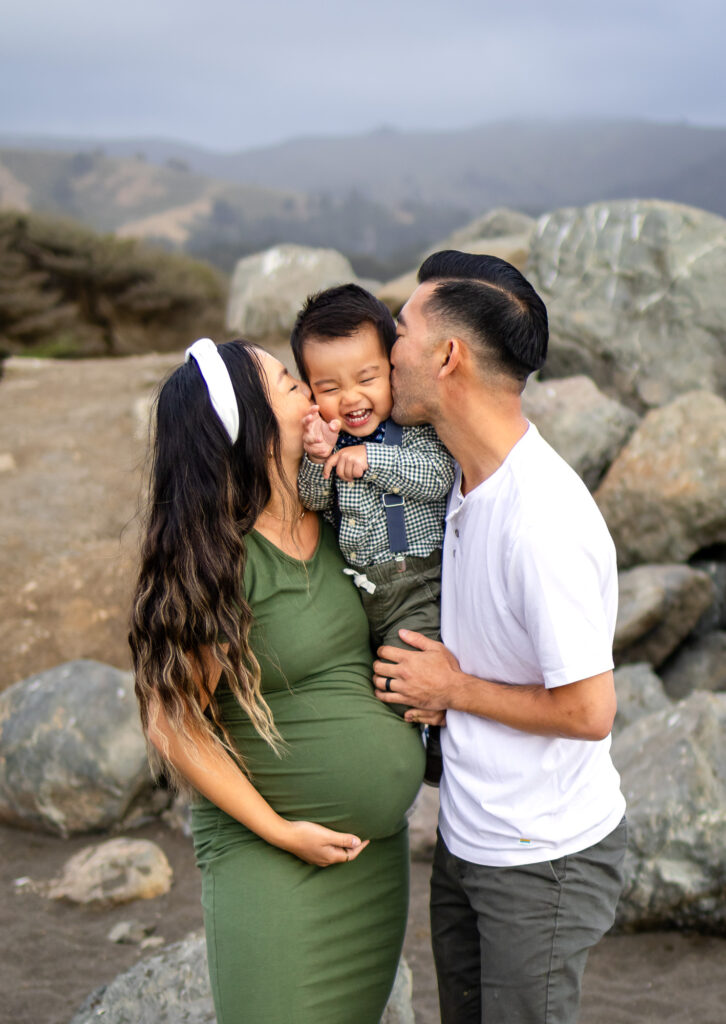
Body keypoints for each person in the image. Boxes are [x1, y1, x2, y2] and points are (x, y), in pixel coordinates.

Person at [129, 337, 425, 1024]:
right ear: (253, 427)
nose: (312, 393)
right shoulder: (220, 560)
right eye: (291, 383)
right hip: (275, 859)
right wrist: (282, 831)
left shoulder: (338, 517)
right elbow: (172, 723)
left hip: (371, 863)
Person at [372, 251, 627, 1024]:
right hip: (472, 840)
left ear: (447, 357)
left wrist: (453, 690)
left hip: (540, 862)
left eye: (402, 329)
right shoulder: (457, 474)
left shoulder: (542, 518)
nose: (389, 347)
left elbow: (590, 713)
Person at [290, 283, 454, 785]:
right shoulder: (328, 441)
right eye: (330, 388)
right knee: (379, 678)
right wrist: (319, 461)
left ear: (392, 369)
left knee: (418, 659)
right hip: (360, 594)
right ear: (311, 392)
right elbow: (314, 502)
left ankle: (442, 747)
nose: (352, 398)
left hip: (416, 581)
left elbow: (438, 478)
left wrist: (371, 460)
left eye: (366, 378)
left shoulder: (415, 431)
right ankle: (391, 747)